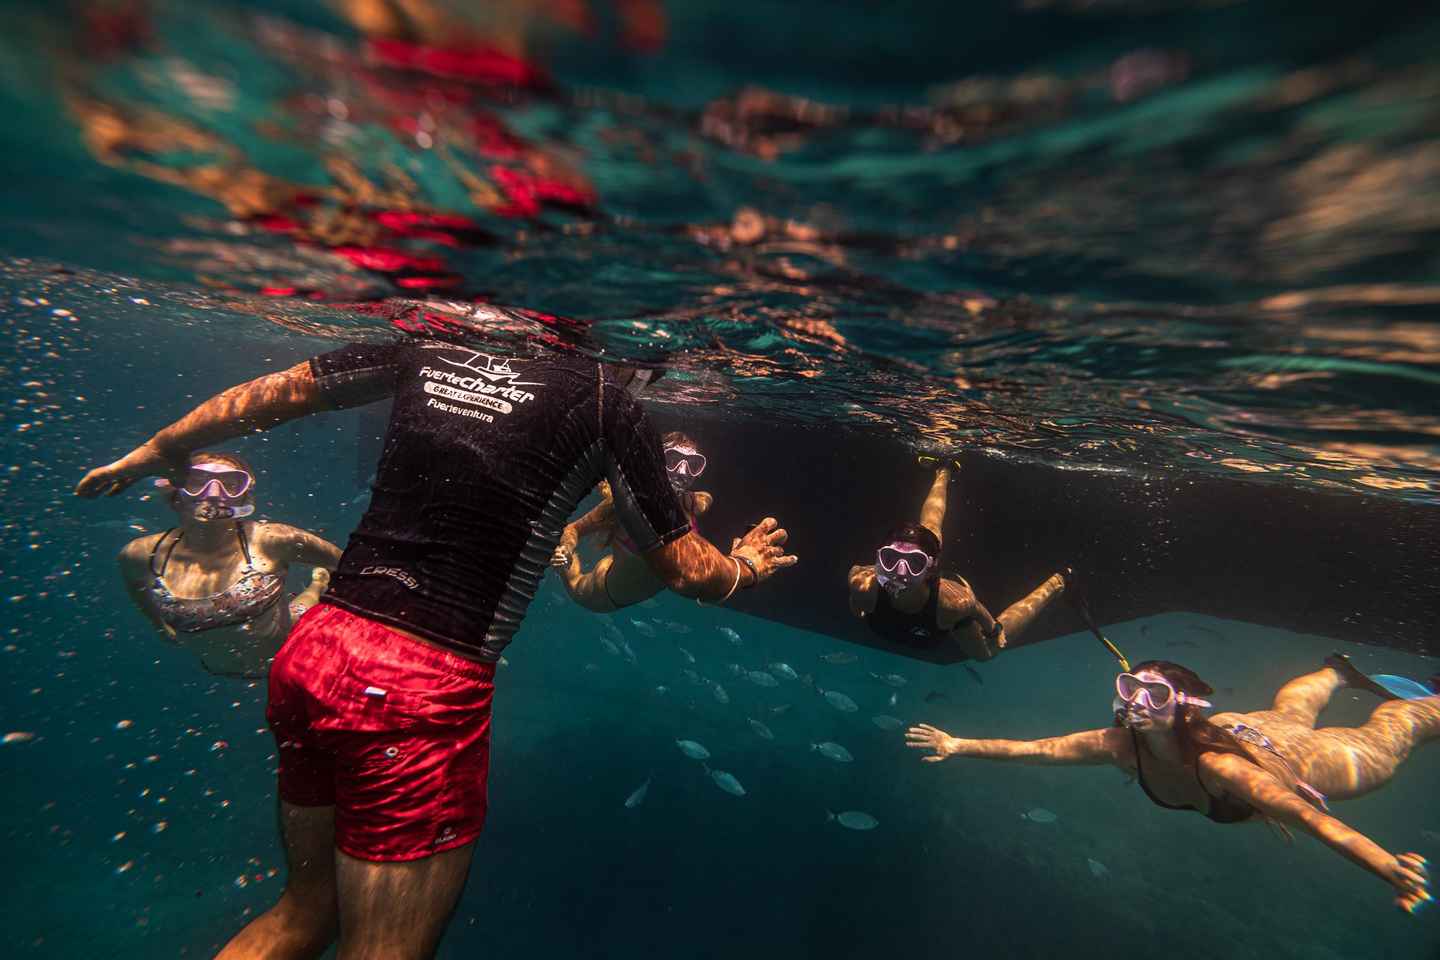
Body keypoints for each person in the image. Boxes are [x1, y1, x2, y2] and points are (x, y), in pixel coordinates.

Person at [76, 334, 797, 960]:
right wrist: (745, 570)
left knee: (304, 912)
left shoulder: (431, 346)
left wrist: (160, 450)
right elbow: (683, 568)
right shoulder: (612, 402)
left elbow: (280, 392)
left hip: (317, 646)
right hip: (417, 685)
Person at [905, 656, 1438, 913]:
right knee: (1288, 710)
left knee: (1387, 741)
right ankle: (1336, 672)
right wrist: (958, 744)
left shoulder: (1220, 769)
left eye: (1154, 696)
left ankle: (1423, 704)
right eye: (1130, 687)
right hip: (1238, 730)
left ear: (1181, 711)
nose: (1135, 701)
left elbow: (1310, 817)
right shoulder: (1118, 744)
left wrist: (1387, 867)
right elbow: (1037, 750)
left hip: (1297, 760)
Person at [118, 452, 340, 677]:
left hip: (291, 659)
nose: (214, 494)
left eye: (231, 485)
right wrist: (158, 624)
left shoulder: (273, 540)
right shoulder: (141, 554)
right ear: (176, 493)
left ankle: (318, 584)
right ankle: (318, 582)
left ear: (245, 498)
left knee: (299, 612)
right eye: (197, 482)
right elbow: (135, 584)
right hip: (214, 672)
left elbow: (349, 563)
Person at [847, 460, 1070, 660]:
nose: (900, 572)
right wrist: (858, 602)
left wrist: (993, 631)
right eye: (890, 559)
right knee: (929, 533)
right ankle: (943, 469)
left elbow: (975, 608)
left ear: (931, 566)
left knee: (987, 654)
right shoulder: (862, 585)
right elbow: (858, 583)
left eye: (914, 563)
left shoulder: (953, 604)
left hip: (942, 607)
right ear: (880, 559)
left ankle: (1056, 583)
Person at [550, 430, 711, 611]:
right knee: (574, 585)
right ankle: (562, 564)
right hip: (603, 593)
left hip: (621, 569)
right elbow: (573, 528)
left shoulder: (695, 502)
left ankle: (607, 487)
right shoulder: (623, 503)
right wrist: (567, 550)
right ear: (655, 461)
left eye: (693, 464)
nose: (683, 472)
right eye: (673, 460)